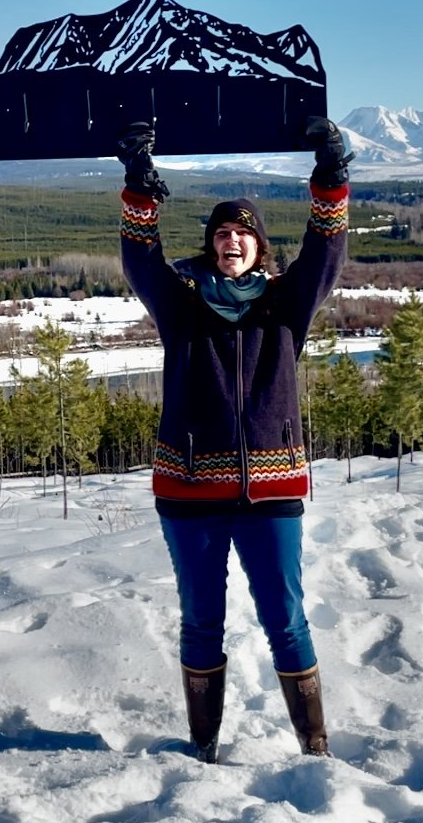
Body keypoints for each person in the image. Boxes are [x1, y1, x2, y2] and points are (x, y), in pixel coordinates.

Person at [118, 116, 351, 762]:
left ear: (258, 246)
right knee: (201, 621)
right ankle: (204, 747)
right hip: (190, 492)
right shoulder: (183, 305)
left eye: (241, 234)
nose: (229, 243)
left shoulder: (285, 306)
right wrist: (140, 185)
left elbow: (326, 254)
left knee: (287, 619)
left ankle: (316, 748)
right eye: (220, 234)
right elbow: (141, 261)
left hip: (273, 493)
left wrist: (331, 179)